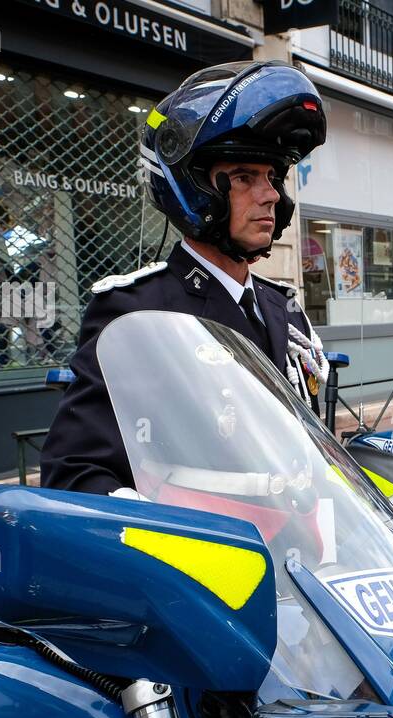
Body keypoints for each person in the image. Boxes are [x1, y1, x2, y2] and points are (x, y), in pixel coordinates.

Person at [40, 61, 329, 495]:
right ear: (196, 188)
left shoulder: (282, 307)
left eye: (272, 177)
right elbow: (76, 470)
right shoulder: (138, 310)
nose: (270, 194)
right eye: (245, 177)